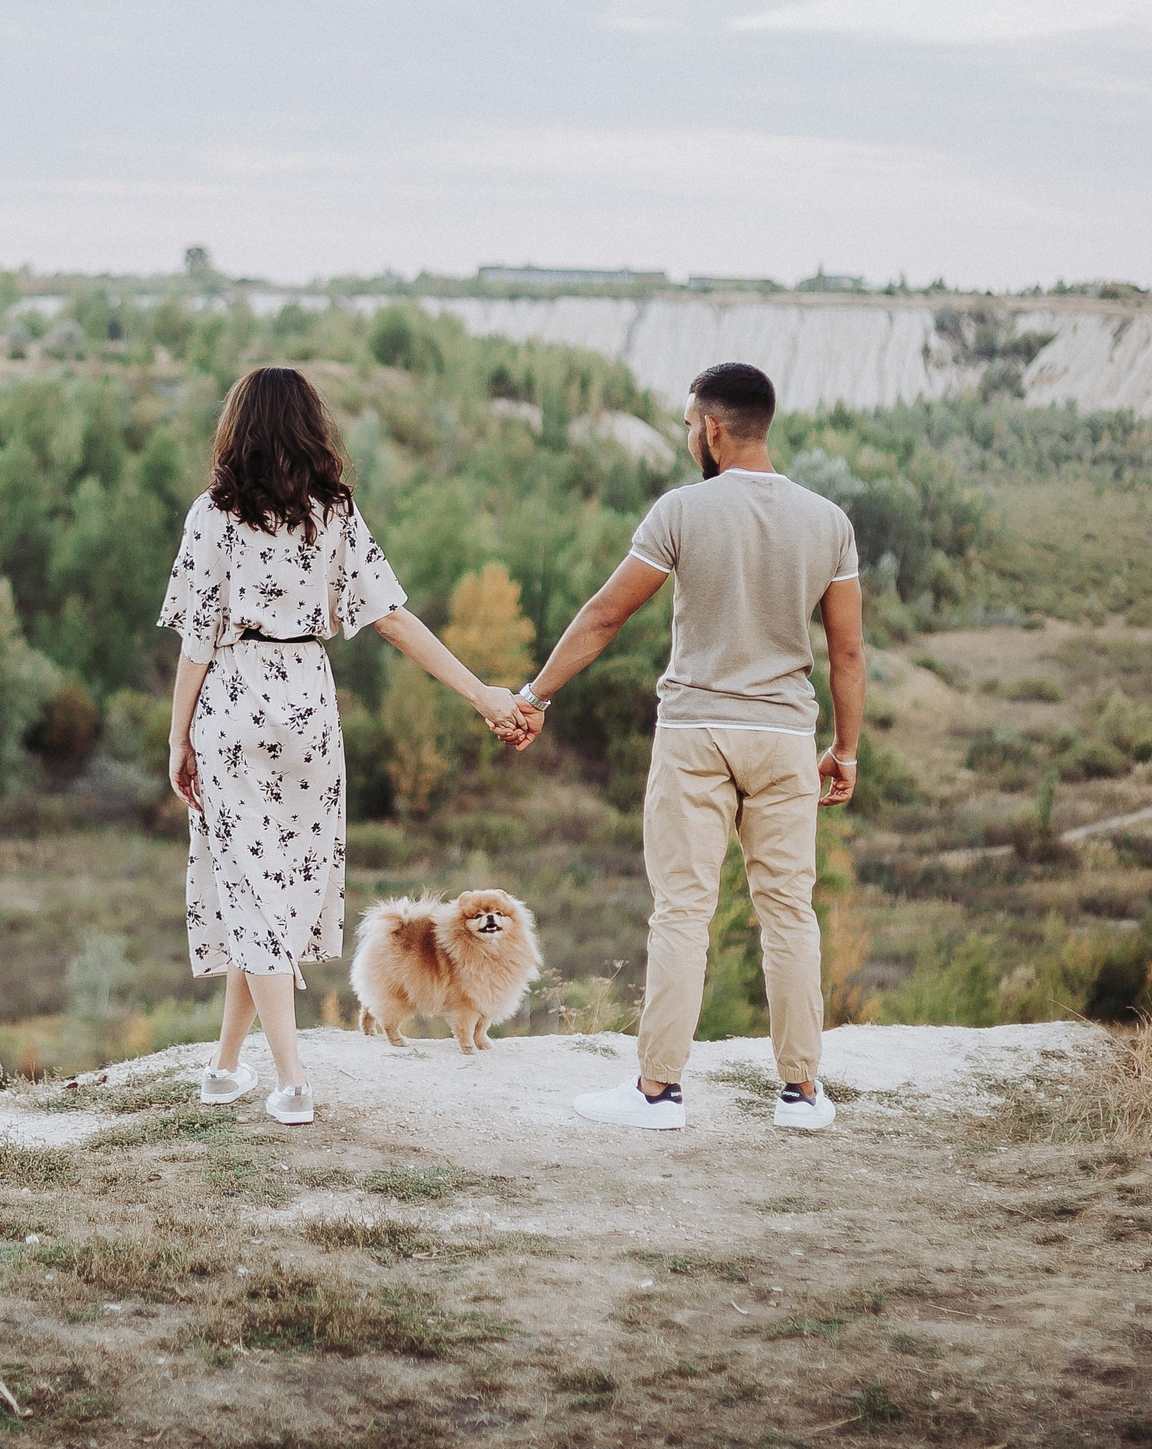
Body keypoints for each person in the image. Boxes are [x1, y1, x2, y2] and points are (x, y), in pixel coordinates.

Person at [160, 367, 527, 1126]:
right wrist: (483, 692)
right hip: (309, 706)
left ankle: (292, 1079)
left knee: (252, 892)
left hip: (234, 702)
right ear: (309, 428)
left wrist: (177, 737)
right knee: (259, 892)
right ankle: (225, 1065)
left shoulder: (212, 515)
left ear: (237, 430)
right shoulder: (334, 514)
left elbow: (199, 637)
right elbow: (392, 616)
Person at [509, 362, 863, 1133]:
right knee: (789, 915)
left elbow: (605, 616)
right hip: (784, 738)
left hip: (695, 734)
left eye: (686, 423)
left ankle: (659, 1092)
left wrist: (534, 696)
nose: (685, 436)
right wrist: (846, 749)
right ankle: (802, 1094)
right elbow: (847, 653)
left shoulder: (681, 510)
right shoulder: (828, 522)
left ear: (710, 427)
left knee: (681, 913)